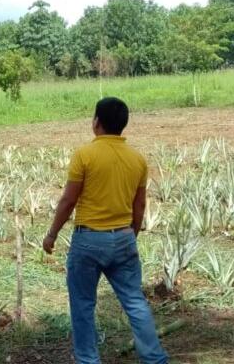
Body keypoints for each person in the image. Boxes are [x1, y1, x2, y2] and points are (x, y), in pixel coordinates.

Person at [42, 97, 169, 364]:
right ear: (122, 125)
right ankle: (155, 359)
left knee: (83, 306)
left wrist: (52, 233)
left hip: (88, 240)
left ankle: (88, 360)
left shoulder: (84, 155)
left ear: (96, 122)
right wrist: (131, 233)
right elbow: (140, 203)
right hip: (123, 237)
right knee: (135, 302)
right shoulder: (137, 159)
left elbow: (69, 200)